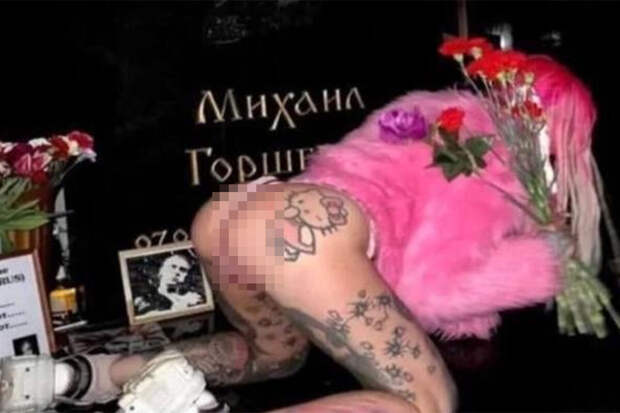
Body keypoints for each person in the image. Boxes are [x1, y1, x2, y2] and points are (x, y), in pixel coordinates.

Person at [0, 48, 603, 413]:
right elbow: (431, 285)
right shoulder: (493, 155)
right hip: (304, 234)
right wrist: (547, 265)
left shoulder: (433, 112)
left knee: (275, 358)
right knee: (427, 402)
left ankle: (69, 376)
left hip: (239, 213)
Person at [133, 254, 204, 316]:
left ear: (186, 276)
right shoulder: (147, 298)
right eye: (173, 267)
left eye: (182, 270)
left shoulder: (192, 297)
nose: (177, 272)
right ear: (162, 270)